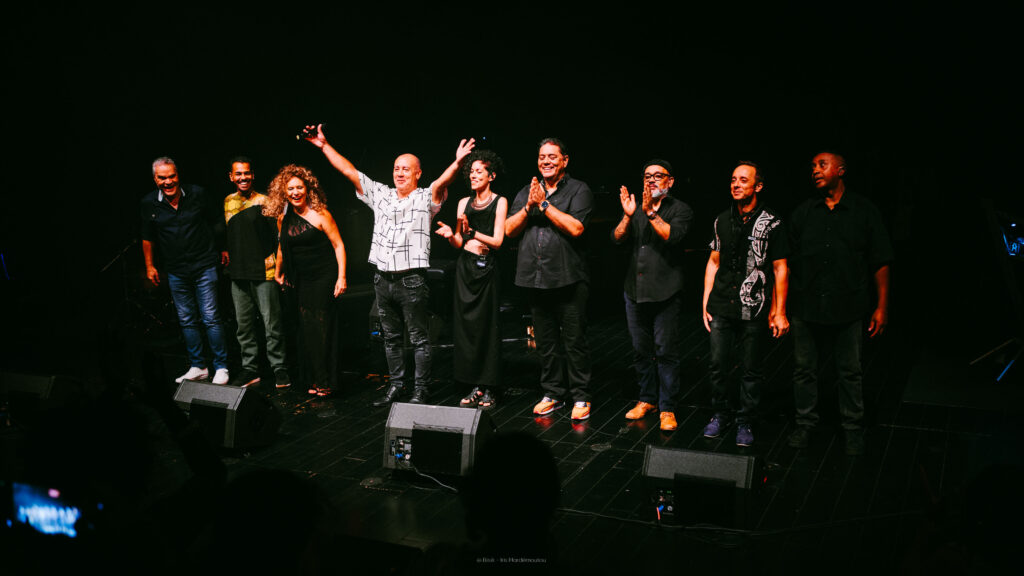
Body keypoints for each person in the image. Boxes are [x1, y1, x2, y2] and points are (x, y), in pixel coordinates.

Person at [303, 125, 474, 405]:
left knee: (418, 339)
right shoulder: (380, 194)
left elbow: (443, 182)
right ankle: (396, 386)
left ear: (418, 173)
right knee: (390, 339)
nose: (400, 172)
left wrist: (457, 162)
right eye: (396, 168)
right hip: (382, 279)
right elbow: (349, 171)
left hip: (411, 280)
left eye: (406, 168)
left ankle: (420, 389)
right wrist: (323, 146)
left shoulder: (425, 198)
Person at [786, 151, 893, 456]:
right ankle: (805, 424)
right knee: (804, 370)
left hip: (849, 306)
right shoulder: (804, 212)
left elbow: (880, 260)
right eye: (812, 167)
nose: (815, 171)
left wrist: (882, 306)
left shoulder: (863, 211)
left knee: (850, 371)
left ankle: (852, 428)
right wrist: (782, 305)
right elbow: (786, 262)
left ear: (841, 170)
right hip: (807, 306)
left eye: (822, 165)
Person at [701, 161, 790, 446]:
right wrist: (705, 301)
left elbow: (780, 268)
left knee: (751, 368)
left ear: (757, 186)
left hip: (754, 307)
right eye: (732, 180)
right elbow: (713, 262)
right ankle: (720, 414)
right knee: (717, 364)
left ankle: (745, 420)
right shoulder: (721, 220)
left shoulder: (772, 221)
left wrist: (779, 311)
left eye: (743, 180)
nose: (736, 184)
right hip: (722, 304)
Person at [505, 138, 594, 421]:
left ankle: (580, 395)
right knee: (545, 343)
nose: (546, 161)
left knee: (574, 340)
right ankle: (552, 393)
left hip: (568, 280)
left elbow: (576, 228)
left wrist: (542, 205)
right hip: (536, 279)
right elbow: (509, 230)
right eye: (542, 157)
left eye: (552, 157)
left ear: (565, 160)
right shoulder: (526, 191)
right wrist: (527, 206)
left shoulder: (579, 190)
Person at [613, 159, 693, 432]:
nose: (652, 181)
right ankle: (647, 399)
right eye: (647, 176)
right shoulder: (635, 210)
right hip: (635, 292)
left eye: (658, 176)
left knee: (666, 351)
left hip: (666, 292)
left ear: (670, 181)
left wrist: (650, 213)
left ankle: (668, 406)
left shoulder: (680, 209)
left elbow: (673, 237)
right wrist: (627, 215)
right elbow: (617, 238)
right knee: (640, 350)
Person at [141, 157, 230, 384]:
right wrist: (150, 265)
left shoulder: (197, 194)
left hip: (204, 264)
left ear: (178, 175)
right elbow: (147, 237)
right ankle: (198, 366)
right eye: (163, 178)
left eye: (172, 176)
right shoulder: (149, 203)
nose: (168, 181)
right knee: (187, 320)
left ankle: (221, 366)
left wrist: (222, 248)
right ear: (155, 179)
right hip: (176, 270)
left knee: (210, 317)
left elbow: (216, 222)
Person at [262, 164, 347, 397]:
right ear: (284, 192)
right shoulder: (283, 216)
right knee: (306, 328)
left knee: (320, 326)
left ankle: (325, 380)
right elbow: (282, 246)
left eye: (300, 187)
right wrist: (279, 272)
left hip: (323, 275)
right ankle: (313, 377)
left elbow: (339, 246)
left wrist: (341, 277)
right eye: (291, 188)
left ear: (308, 189)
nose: (296, 192)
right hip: (299, 278)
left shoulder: (321, 214)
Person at [435, 150, 508, 410]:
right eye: (471, 172)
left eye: (480, 171)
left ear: (492, 175)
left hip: (486, 268)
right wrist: (450, 235)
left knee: (487, 327)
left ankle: (489, 386)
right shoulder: (463, 202)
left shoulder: (499, 202)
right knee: (466, 328)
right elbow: (459, 241)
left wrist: (474, 232)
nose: (474, 175)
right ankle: (473, 384)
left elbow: (498, 241)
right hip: (465, 268)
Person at [222, 156, 290, 389]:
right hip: (238, 273)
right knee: (244, 326)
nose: (243, 177)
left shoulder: (266, 201)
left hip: (265, 272)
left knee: (272, 324)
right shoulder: (228, 201)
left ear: (253, 175)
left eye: (247, 173)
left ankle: (280, 369)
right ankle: (250, 370)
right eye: (238, 174)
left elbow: (279, 238)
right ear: (231, 177)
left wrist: (279, 268)